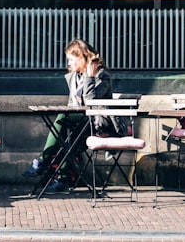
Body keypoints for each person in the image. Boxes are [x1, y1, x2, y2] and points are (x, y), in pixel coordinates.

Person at [22, 38, 119, 193]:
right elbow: (72, 104)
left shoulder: (102, 75)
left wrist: (90, 76)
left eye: (71, 59)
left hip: (97, 123)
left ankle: (43, 161)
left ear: (82, 57)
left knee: (63, 118)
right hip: (79, 122)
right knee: (65, 137)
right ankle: (62, 178)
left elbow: (91, 102)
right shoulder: (74, 77)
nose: (69, 63)